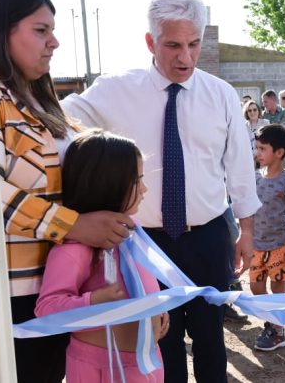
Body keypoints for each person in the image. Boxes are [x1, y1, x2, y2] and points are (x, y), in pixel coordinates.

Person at [61, 0, 261, 383]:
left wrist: (247, 231)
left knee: (210, 337)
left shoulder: (219, 95)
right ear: (151, 42)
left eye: (193, 44)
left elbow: (238, 166)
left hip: (208, 238)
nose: (184, 57)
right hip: (144, 245)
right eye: (172, 45)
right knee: (157, 340)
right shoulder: (115, 89)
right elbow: (60, 121)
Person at [0, 0, 134, 383]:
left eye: (52, 30)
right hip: (21, 291)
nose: (54, 42)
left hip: (61, 280)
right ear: (1, 30)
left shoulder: (32, 98)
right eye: (41, 30)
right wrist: (75, 225)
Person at [35, 129, 167, 383]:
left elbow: (143, 281)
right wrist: (93, 300)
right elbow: (47, 309)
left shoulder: (132, 234)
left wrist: (158, 309)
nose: (145, 188)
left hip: (146, 363)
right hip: (101, 370)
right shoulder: (75, 248)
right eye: (136, 180)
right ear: (107, 184)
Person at [249, 124, 285, 352]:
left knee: (278, 287)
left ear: (279, 153)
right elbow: (248, 210)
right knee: (256, 286)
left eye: (262, 149)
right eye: (256, 148)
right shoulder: (255, 178)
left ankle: (278, 331)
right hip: (256, 246)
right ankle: (272, 320)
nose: (257, 153)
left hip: (279, 246)